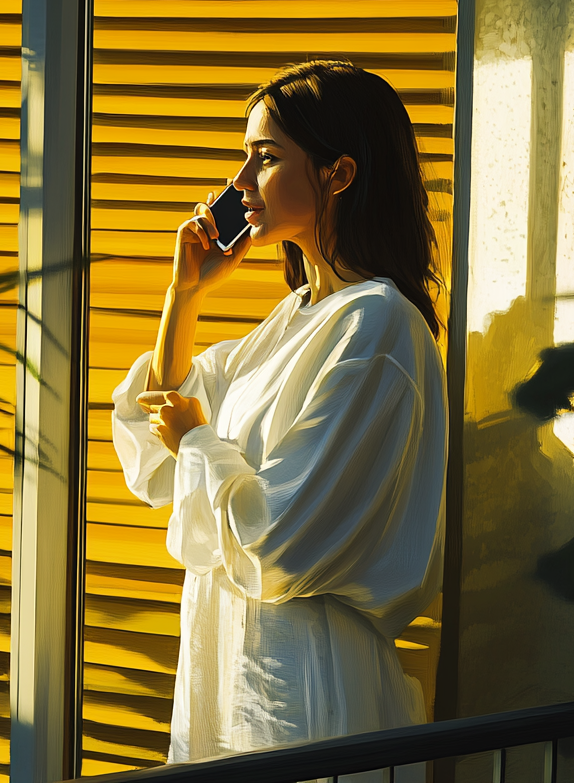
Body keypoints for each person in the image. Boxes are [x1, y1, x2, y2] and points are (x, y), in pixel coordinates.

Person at [109, 60, 447, 781]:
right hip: (227, 671)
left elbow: (279, 544)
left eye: (264, 158)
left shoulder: (378, 327)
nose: (239, 184)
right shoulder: (294, 320)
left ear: (338, 174)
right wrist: (184, 293)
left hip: (305, 685)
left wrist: (199, 439)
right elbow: (157, 452)